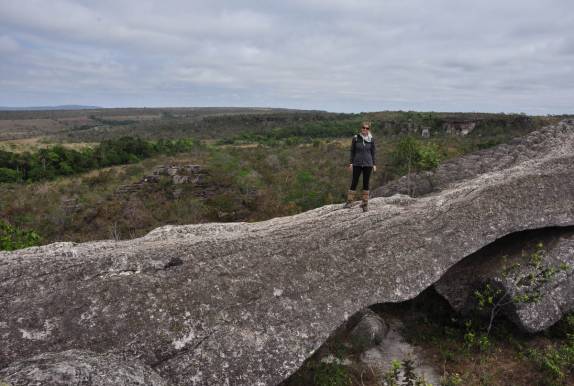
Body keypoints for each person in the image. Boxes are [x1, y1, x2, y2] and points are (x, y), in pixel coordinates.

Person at [343, 122, 376, 211]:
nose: (365, 129)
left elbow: (373, 152)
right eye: (363, 128)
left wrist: (374, 164)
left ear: (369, 129)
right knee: (354, 181)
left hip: (368, 164)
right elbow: (352, 151)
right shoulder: (356, 138)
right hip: (357, 163)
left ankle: (365, 204)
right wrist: (351, 163)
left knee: (366, 183)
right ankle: (349, 201)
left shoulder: (371, 139)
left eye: (367, 128)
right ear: (361, 128)